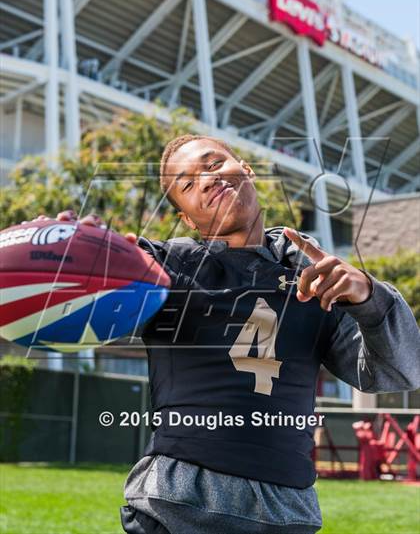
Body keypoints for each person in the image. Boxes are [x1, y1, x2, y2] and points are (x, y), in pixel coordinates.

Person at [51, 134, 420, 534]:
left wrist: (369, 296)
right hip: (176, 508)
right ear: (188, 219)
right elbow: (84, 293)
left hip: (286, 512)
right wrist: (71, 254)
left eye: (212, 165)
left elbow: (399, 373)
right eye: (188, 184)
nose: (207, 180)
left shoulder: (317, 279)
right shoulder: (164, 266)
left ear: (245, 169)